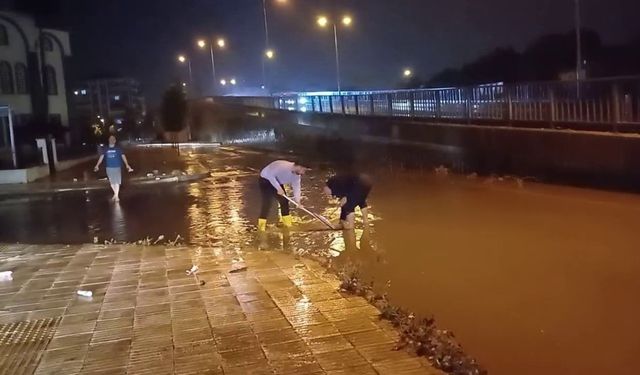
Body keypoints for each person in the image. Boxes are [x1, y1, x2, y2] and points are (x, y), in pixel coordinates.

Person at [258, 160, 308, 231]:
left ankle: (287, 225)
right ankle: (261, 227)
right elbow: (270, 175)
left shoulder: (296, 176)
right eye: (303, 170)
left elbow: (296, 188)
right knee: (267, 202)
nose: (303, 173)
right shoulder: (283, 167)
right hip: (265, 179)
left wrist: (298, 201)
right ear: (298, 166)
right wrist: (278, 188)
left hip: (277, 181)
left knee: (284, 201)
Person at [94, 135, 133, 202]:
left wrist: (127, 165)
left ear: (115, 141)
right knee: (112, 182)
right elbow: (101, 157)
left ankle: (116, 196)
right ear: (109, 140)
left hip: (117, 166)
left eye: (113, 139)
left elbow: (123, 156)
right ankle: (115, 194)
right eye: (110, 139)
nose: (112, 140)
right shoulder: (105, 149)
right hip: (109, 167)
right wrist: (97, 165)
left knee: (117, 181)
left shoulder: (118, 149)